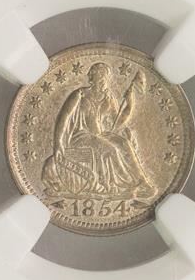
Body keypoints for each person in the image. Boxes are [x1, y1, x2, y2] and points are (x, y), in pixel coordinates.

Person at [41, 63, 155, 202]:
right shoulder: (80, 95)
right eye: (94, 74)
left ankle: (142, 182)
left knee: (123, 143)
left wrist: (130, 102)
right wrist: (58, 144)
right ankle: (122, 185)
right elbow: (63, 118)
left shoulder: (108, 97)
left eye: (95, 73)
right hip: (80, 136)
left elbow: (117, 120)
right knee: (109, 149)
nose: (90, 75)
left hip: (99, 134)